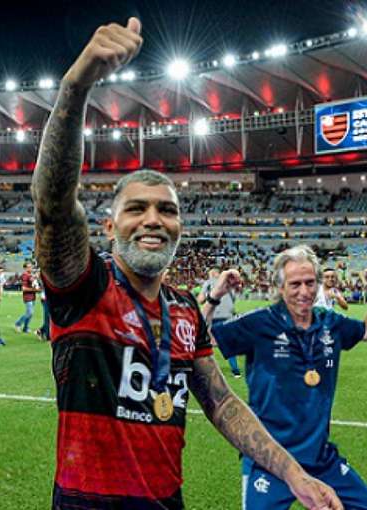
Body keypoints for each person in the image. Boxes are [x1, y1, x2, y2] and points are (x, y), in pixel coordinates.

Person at [31, 18, 341, 510]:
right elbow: (52, 203)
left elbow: (219, 401)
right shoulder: (85, 286)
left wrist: (292, 473)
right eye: (136, 208)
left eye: (167, 210)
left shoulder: (184, 310)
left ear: (179, 227)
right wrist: (76, 86)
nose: (153, 220)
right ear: (110, 229)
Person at [210, 245, 367, 509]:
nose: (304, 292)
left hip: (320, 457)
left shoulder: (331, 323)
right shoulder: (259, 323)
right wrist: (215, 296)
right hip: (269, 459)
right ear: (280, 288)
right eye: (295, 284)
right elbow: (200, 338)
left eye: (309, 283)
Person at [198, 267, 241, 378]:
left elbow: (201, 299)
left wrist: (209, 297)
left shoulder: (208, 283)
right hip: (228, 315)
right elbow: (233, 299)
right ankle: (236, 371)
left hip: (214, 315)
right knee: (228, 343)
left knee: (205, 343)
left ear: (212, 273)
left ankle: (207, 370)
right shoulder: (228, 282)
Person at [14, 262, 39, 334]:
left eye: (31, 267)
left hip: (33, 296)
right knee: (29, 313)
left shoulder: (30, 275)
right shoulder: (25, 275)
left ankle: (25, 327)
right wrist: (35, 290)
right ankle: (18, 324)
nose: (30, 268)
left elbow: (32, 282)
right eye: (28, 267)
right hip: (27, 297)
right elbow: (24, 288)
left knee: (30, 313)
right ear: (25, 268)